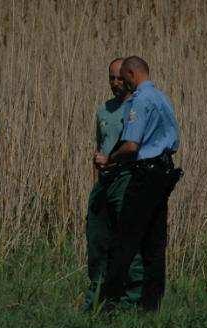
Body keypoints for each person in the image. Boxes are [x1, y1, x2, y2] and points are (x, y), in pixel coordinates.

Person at [94, 56, 181, 311]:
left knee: (124, 240)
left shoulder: (140, 101)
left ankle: (108, 305)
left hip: (145, 174)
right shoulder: (162, 98)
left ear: (132, 74)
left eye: (124, 77)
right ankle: (151, 307)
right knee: (155, 243)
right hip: (164, 172)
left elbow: (131, 146)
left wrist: (110, 158)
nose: (122, 82)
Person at [84, 58, 143, 310]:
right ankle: (97, 300)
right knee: (97, 242)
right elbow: (100, 144)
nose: (116, 83)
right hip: (104, 182)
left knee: (129, 242)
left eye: (120, 78)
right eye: (111, 78)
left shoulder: (137, 107)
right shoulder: (103, 110)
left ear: (129, 77)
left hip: (127, 179)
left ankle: (131, 303)